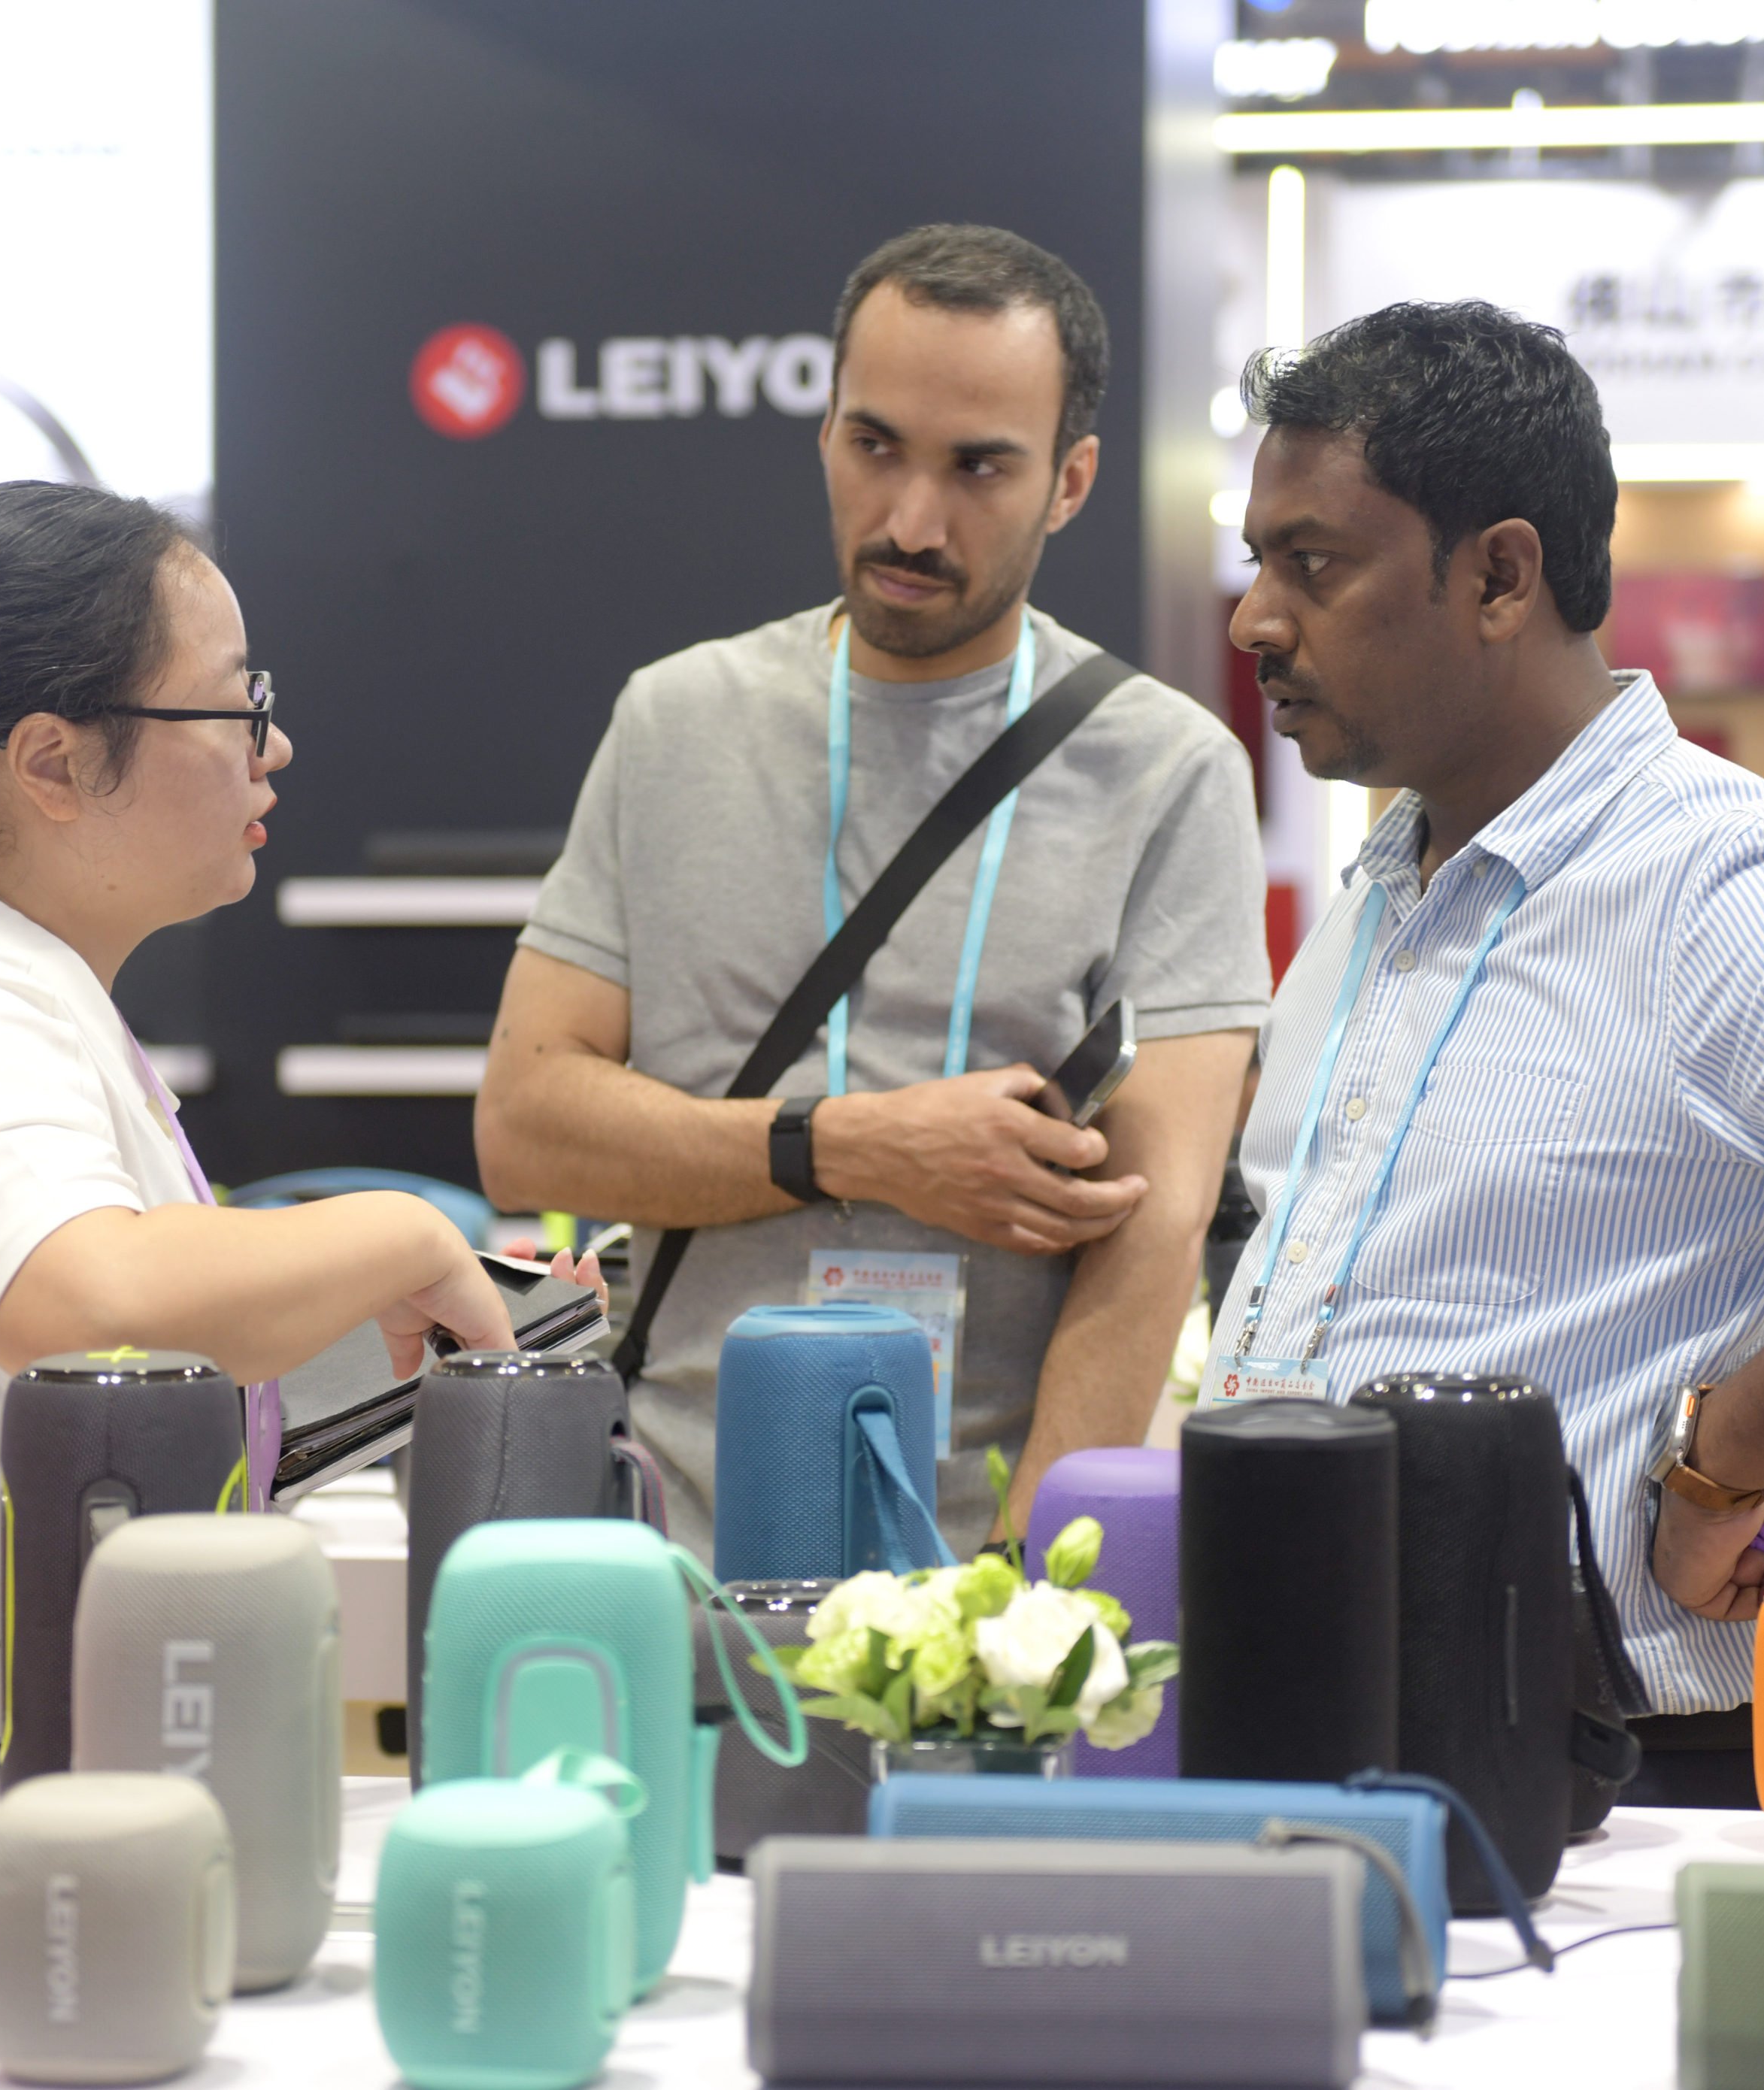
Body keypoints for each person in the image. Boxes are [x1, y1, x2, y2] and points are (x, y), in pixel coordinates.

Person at [1217, 302, 1764, 1804]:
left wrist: (1731, 1461)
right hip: (1352, 1720)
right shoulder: (1386, 894)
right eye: (1258, 561)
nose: (1255, 617)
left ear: (1499, 574)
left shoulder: (1716, 876)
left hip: (1621, 1771)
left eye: (1311, 564)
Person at [0, 481, 597, 1719]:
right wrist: (406, 1235)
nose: (277, 746)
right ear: (52, 762)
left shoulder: (21, 990)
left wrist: (375, 1297)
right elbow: (86, 1300)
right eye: (239, 703)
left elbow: (141, 1342)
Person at [477, 224, 1269, 1556]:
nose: (911, 520)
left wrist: (1021, 1601)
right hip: (657, 1529)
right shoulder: (677, 721)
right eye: (874, 445)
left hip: (966, 1563)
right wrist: (847, 1144)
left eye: (979, 469)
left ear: (1071, 481)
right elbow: (528, 1126)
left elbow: (1153, 1228)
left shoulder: (1168, 771)